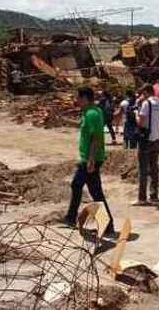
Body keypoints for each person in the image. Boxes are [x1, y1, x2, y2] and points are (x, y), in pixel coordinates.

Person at [64, 87, 115, 235]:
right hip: (91, 157)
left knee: (77, 185)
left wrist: (90, 160)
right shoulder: (91, 111)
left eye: (78, 98)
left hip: (90, 158)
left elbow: (95, 138)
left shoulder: (92, 113)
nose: (76, 100)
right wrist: (62, 120)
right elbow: (84, 128)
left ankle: (71, 217)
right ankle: (107, 225)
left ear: (85, 98)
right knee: (95, 192)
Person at [134, 84, 159, 205]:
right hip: (156, 138)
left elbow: (140, 123)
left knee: (143, 169)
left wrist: (136, 113)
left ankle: (142, 198)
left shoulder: (147, 104)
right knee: (154, 169)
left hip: (145, 140)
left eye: (143, 93)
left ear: (146, 92)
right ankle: (154, 195)